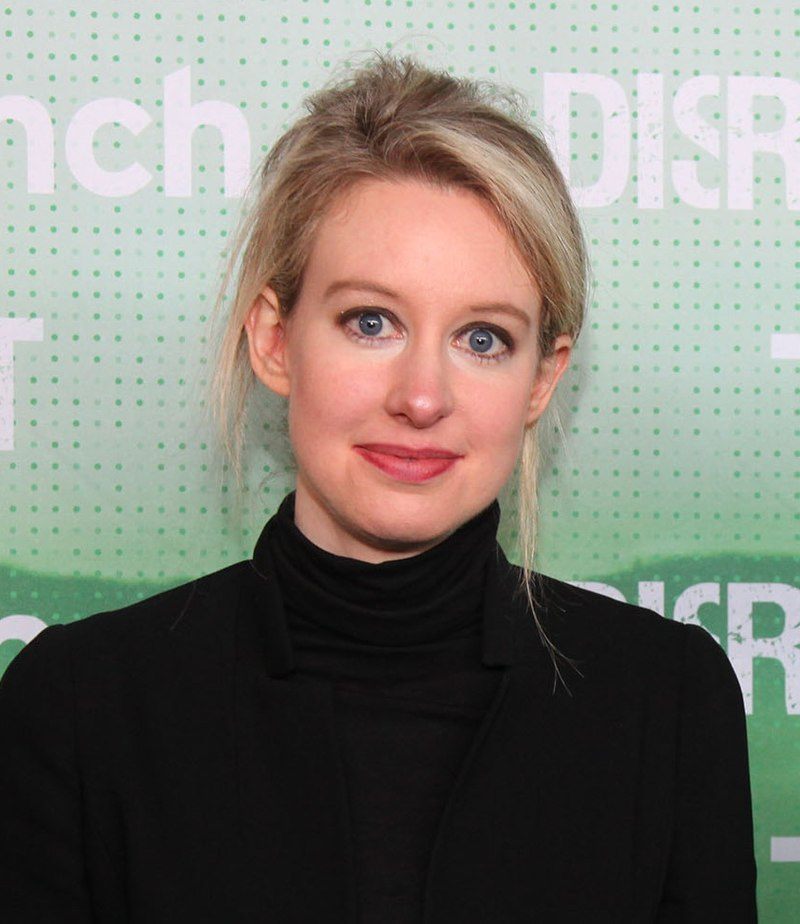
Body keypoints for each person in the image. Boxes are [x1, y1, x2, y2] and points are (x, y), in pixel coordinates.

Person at [0, 56, 756, 923]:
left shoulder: (665, 704)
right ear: (276, 340)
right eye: (371, 322)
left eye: (483, 339)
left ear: (544, 379)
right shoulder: (79, 707)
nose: (422, 396)